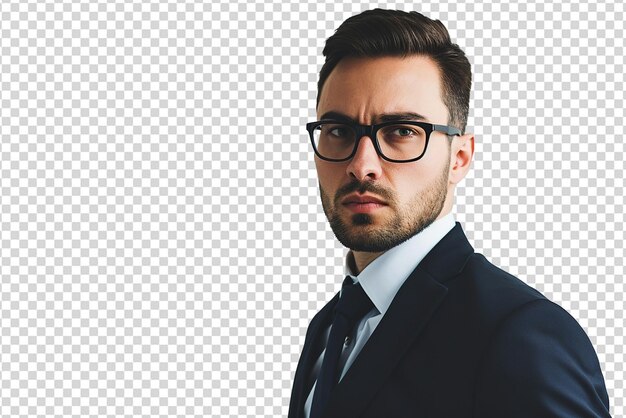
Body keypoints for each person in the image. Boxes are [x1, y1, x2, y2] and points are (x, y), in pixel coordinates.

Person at [287, 8, 611, 418]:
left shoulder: (518, 333)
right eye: (339, 131)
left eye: (402, 131)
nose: (361, 164)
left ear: (459, 157)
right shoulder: (329, 326)